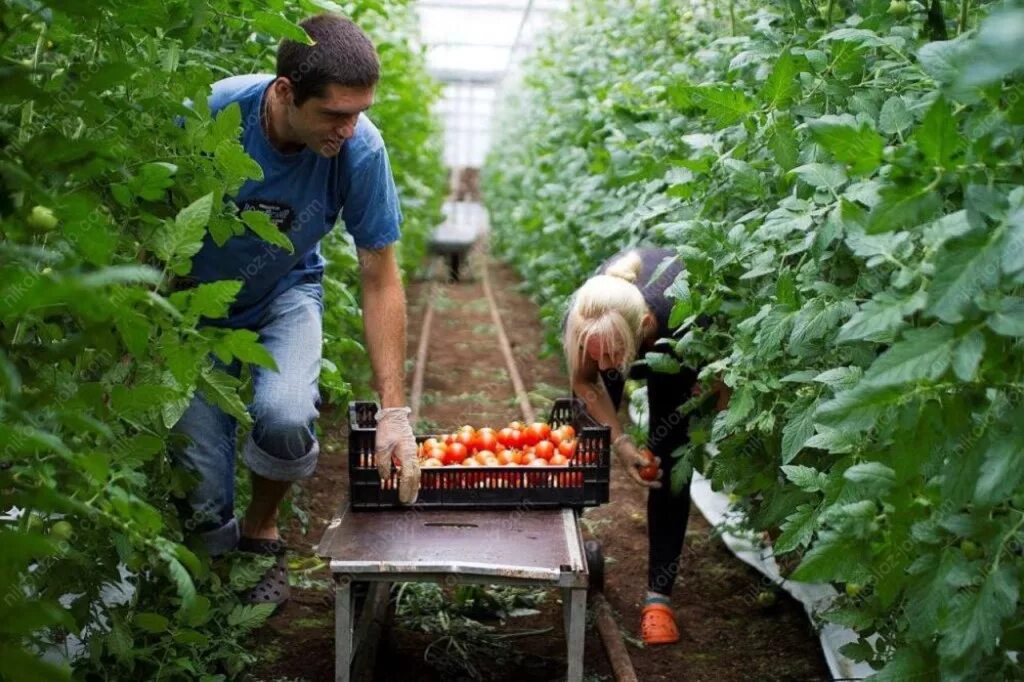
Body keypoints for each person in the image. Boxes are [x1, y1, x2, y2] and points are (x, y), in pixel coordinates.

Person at [170, 14, 420, 606]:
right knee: (202, 494)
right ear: (284, 91)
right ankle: (209, 590)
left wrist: (395, 413)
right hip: (187, 312)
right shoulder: (208, 117)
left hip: (286, 291)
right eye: (334, 114)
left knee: (284, 416)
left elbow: (380, 276)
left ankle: (263, 532)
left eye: (359, 112)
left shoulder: (359, 149)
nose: (349, 128)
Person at [563, 247, 724, 645]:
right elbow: (588, 383)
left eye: (612, 355)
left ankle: (659, 598)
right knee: (588, 436)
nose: (603, 365)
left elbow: (723, 378)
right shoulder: (587, 319)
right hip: (614, 330)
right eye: (596, 355)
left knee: (670, 455)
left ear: (644, 326)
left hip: (672, 342)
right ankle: (569, 543)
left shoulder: (683, 318)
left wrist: (708, 407)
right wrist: (619, 443)